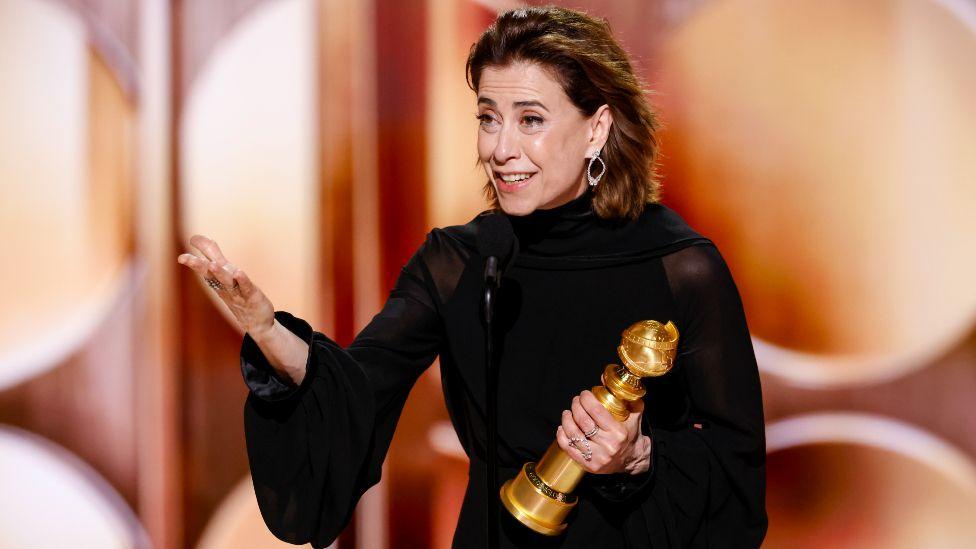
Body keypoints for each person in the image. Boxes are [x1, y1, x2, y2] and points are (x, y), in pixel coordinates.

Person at [177, 5, 766, 548]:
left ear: (597, 128)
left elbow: (737, 475)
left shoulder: (682, 267)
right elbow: (356, 389)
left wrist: (637, 458)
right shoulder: (459, 262)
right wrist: (269, 333)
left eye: (530, 119)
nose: (501, 147)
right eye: (489, 118)